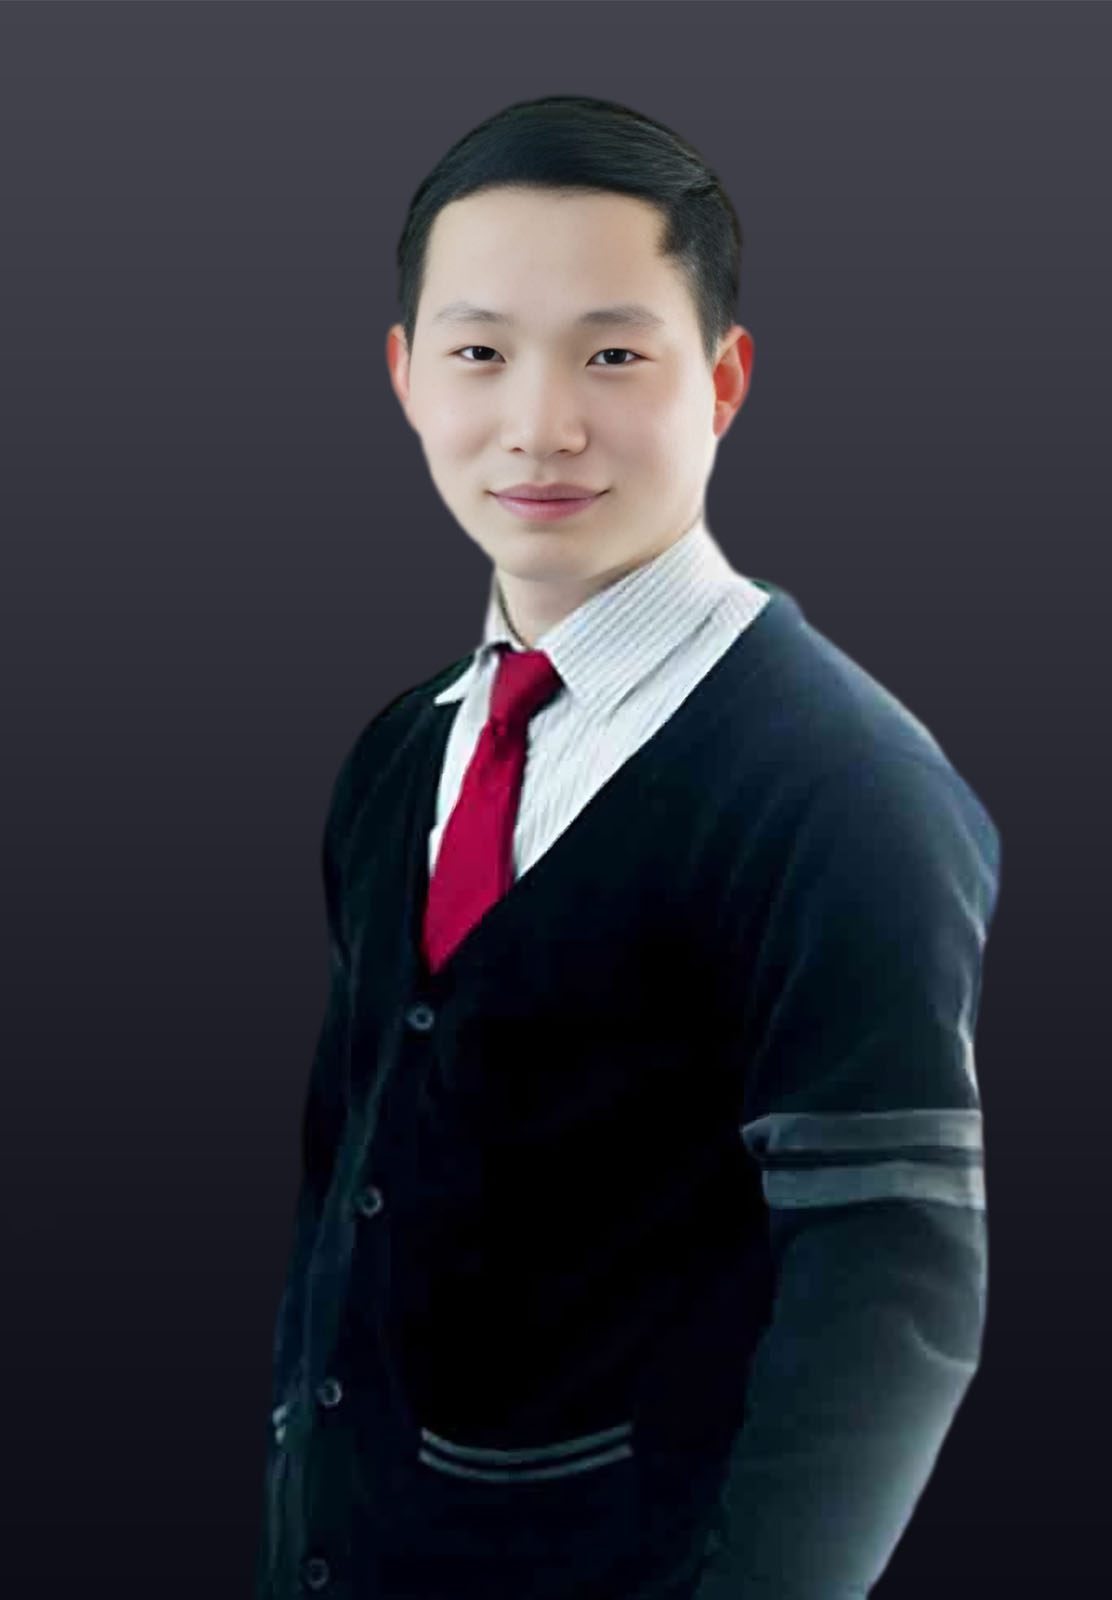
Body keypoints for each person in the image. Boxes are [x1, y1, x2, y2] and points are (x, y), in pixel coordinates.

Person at [254, 93, 1002, 1600]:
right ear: (405, 377)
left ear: (722, 381)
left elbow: (891, 1287)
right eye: (479, 353)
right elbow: (346, 1178)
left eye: (612, 355)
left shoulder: (841, 787)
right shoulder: (401, 753)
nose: (539, 425)